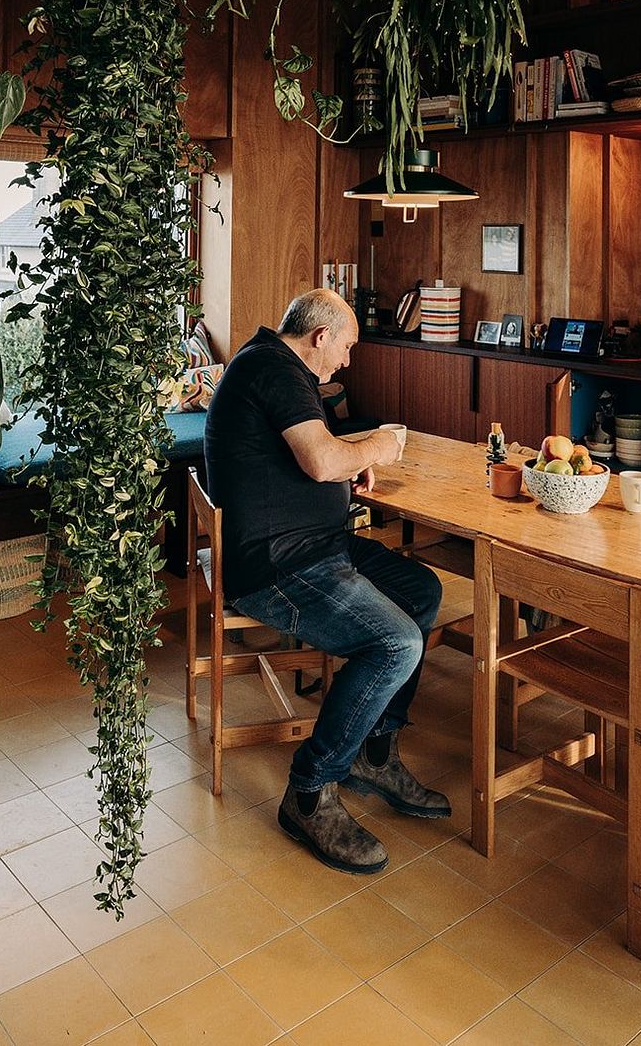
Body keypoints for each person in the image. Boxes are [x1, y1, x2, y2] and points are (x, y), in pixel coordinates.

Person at [204, 288, 449, 875]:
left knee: (421, 592)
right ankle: (310, 791)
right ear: (320, 337)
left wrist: (346, 461)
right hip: (279, 567)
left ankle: (375, 751)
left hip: (316, 547)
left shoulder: (274, 364)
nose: (346, 360)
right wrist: (380, 448)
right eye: (346, 347)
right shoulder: (274, 369)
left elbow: (311, 453)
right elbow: (318, 461)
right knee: (395, 642)